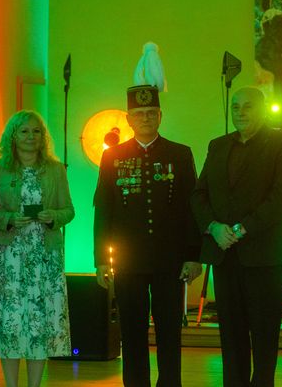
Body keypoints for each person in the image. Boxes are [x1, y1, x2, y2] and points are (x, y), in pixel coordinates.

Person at [94, 85, 202, 387]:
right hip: (129, 260)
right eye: (139, 113)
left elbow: (191, 208)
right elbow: (104, 209)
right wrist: (101, 259)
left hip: (170, 259)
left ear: (160, 116)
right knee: (132, 332)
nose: (145, 118)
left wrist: (194, 256)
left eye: (151, 113)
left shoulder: (179, 153)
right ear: (129, 119)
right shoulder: (113, 157)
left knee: (170, 331)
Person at [191, 86, 282, 387]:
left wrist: (240, 229)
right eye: (236, 107)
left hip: (265, 257)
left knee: (264, 336)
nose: (240, 112)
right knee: (231, 336)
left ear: (262, 109)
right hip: (225, 255)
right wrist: (213, 227)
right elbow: (199, 195)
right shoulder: (218, 145)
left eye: (248, 106)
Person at [0, 110, 75, 387]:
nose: (31, 136)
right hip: (7, 257)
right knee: (10, 322)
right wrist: (8, 219)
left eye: (36, 131)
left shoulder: (55, 169)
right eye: (24, 131)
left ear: (43, 137)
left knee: (39, 323)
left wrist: (53, 216)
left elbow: (69, 210)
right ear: (13, 136)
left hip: (44, 257)